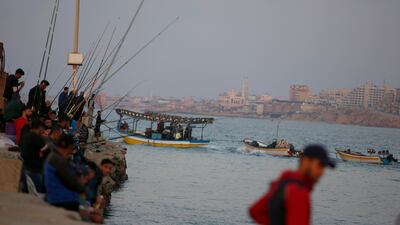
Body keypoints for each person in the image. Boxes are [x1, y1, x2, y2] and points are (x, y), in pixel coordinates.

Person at [249, 144, 335, 225]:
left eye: (324, 168)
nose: (322, 172)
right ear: (306, 161)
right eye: (320, 166)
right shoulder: (299, 192)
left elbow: (255, 211)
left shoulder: (283, 184)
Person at [44, 133, 86, 211]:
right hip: (61, 200)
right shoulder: (56, 159)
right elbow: (69, 181)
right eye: (71, 148)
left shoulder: (57, 157)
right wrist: (82, 189)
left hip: (63, 198)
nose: (71, 151)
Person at [20, 119, 47, 193]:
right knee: (36, 195)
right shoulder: (36, 138)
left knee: (25, 194)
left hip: (24, 168)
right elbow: (47, 152)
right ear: (40, 127)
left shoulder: (25, 136)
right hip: (34, 170)